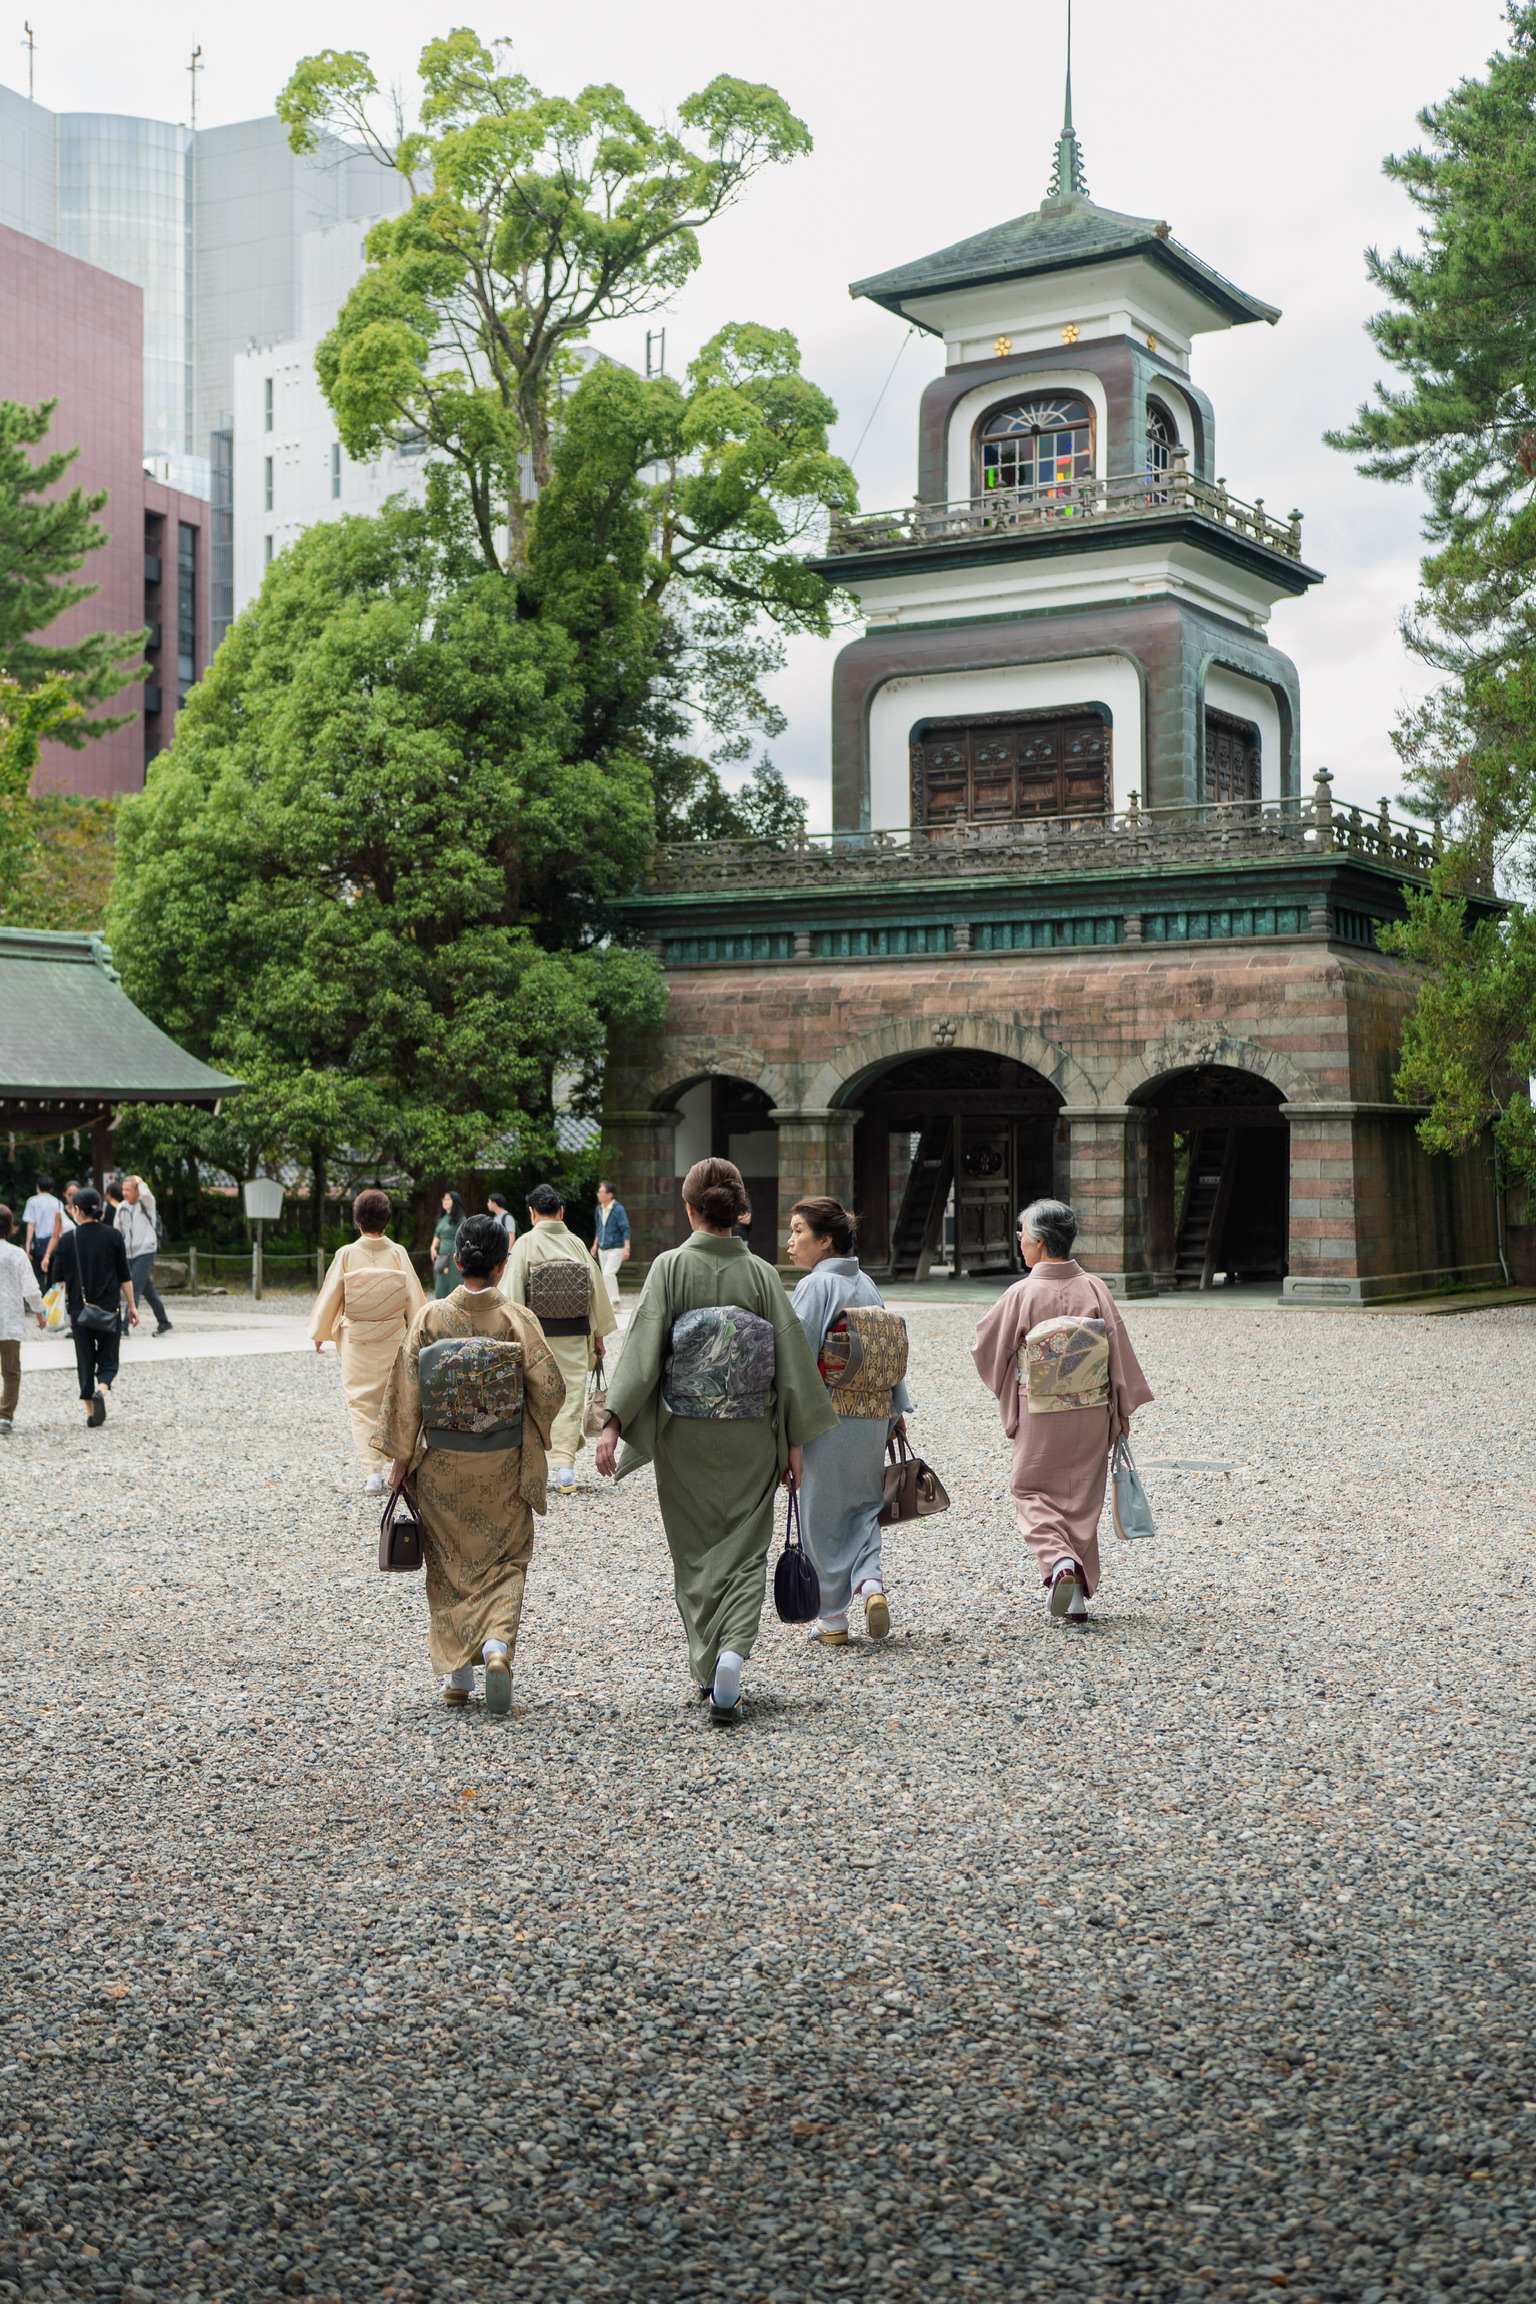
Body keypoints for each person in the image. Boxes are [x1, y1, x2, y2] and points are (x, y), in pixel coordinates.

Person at [595, 1157, 837, 1722]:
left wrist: (612, 1424)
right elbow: (790, 1362)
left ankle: (708, 1663)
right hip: (752, 1432)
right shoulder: (759, 1274)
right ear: (737, 1211)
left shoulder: (669, 1268)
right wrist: (795, 1445)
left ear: (689, 1209)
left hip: (685, 1434)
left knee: (696, 1551)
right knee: (747, 1550)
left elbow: (644, 1352)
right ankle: (733, 1653)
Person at [376, 1212, 566, 1712]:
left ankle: (458, 1677)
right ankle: (497, 1646)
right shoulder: (517, 1320)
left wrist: (400, 1457)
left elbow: (405, 1392)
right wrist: (527, 1423)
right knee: (506, 1560)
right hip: (502, 1462)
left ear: (457, 1260)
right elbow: (549, 1390)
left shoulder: (431, 1319)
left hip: (442, 1464)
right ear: (503, 1266)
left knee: (448, 1566)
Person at [971, 1198, 1152, 1622]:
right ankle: (1074, 1601)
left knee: (1030, 1490)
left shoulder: (1023, 1292)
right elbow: (1118, 1354)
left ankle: (1059, 1564)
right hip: (1091, 1408)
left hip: (1038, 1410)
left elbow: (986, 1346)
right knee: (1080, 1501)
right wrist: (1120, 1409)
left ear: (1038, 1241)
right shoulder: (1095, 1288)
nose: (1019, 1240)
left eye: (1022, 1233)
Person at [786, 1196, 913, 1647]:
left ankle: (833, 1618)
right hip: (874, 1413)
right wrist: (896, 1414)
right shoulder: (867, 1285)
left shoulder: (815, 1287)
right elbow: (889, 1353)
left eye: (798, 1231)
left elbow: (798, 1358)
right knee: (863, 1506)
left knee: (820, 1514)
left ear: (826, 1240)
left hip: (827, 1414)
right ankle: (872, 1585)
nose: (790, 1242)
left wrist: (787, 1423)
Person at [309, 1188, 428, 1492]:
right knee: (395, 1402)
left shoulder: (346, 1254)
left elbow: (331, 1297)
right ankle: (392, 1465)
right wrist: (422, 1335)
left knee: (361, 1405)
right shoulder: (398, 1253)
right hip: (393, 1338)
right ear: (387, 1220)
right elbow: (414, 1299)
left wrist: (320, 1333)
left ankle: (372, 1473)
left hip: (358, 1340)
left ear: (357, 1220)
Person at [501, 1183, 616, 1491]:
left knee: (538, 1398)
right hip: (576, 1335)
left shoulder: (525, 1244)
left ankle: (536, 1466)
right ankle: (565, 1469)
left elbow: (512, 1295)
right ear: (561, 1212)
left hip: (537, 1337)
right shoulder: (576, 1244)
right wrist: (599, 1337)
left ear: (532, 1213)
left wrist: (512, 1336)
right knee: (570, 1398)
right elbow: (597, 1293)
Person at [50, 1186, 137, 1427]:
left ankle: (90, 1413)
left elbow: (58, 1278)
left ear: (76, 1209)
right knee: (109, 1358)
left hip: (80, 1310)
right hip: (109, 1308)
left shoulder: (68, 1240)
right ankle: (102, 1389)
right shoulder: (113, 1236)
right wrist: (132, 1306)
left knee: (85, 1360)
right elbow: (124, 1275)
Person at [0, 1204, 45, 1434]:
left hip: (8, 1319)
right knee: (10, 1371)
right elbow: (31, 1288)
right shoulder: (16, 1254)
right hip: (8, 1320)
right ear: (9, 1227)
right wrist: (39, 1311)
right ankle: (5, 1416)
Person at [115, 1174, 173, 1336]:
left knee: (133, 1287)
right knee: (147, 1289)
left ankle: (124, 1326)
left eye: (128, 1189)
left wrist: (139, 1181)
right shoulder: (121, 1207)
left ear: (136, 1191)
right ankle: (164, 1321)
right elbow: (117, 1231)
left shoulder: (146, 1203)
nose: (125, 1193)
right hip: (128, 1252)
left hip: (146, 1250)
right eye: (123, 1189)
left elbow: (147, 1194)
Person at [591, 1179, 630, 1311]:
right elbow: (599, 1228)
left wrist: (627, 1247)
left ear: (609, 1195)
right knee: (604, 1276)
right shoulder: (599, 1210)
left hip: (616, 1246)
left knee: (608, 1274)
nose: (598, 1194)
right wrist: (595, 1246)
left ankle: (615, 1301)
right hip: (603, 1247)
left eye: (601, 1192)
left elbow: (625, 1228)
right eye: (599, 1192)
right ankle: (609, 1304)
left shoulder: (618, 1209)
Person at [22, 1174, 62, 1291]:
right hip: (54, 1244)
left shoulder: (32, 1201)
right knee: (52, 1276)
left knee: (38, 1275)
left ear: (37, 1186)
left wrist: (28, 1245)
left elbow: (31, 1224)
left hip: (38, 1243)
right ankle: (50, 1302)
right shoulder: (58, 1203)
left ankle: (42, 1301)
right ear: (52, 1188)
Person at [431, 1192, 465, 1298]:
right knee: (440, 1284)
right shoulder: (443, 1218)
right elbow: (437, 1234)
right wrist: (432, 1247)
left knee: (453, 1284)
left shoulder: (461, 1219)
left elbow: (465, 1237)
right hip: (441, 1256)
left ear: (454, 1202)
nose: (444, 1202)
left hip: (453, 1255)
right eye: (443, 1199)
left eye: (447, 1199)